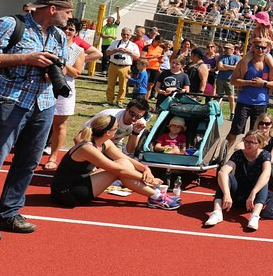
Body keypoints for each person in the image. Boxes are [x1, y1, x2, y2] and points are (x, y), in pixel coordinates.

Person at [0, 0, 72, 243]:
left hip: (43, 103)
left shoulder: (58, 36)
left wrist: (53, 72)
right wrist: (26, 58)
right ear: (53, 9)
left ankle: (9, 212)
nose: (70, 17)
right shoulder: (10, 24)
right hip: (9, 101)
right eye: (67, 11)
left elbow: (62, 65)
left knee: (28, 162)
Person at [50, 114, 179, 210]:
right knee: (118, 171)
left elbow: (126, 159)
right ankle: (157, 197)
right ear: (108, 132)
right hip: (66, 193)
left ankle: (155, 196)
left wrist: (146, 170)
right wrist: (149, 180)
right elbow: (117, 170)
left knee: (124, 162)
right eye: (116, 129)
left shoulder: (104, 142)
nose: (118, 131)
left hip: (79, 182)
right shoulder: (87, 148)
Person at [43, 18, 100, 171]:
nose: (67, 32)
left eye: (71, 30)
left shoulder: (78, 50)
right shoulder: (50, 43)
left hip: (64, 90)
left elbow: (76, 72)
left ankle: (53, 157)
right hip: (44, 87)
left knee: (59, 124)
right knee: (38, 122)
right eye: (64, 28)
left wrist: (62, 62)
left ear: (76, 33)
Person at [205, 129, 272, 231]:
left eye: (251, 142)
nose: (247, 144)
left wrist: (253, 193)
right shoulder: (239, 154)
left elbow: (266, 174)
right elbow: (222, 172)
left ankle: (255, 216)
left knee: (263, 180)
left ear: (260, 144)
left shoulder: (265, 155)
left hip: (252, 200)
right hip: (236, 194)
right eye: (246, 141)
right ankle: (217, 212)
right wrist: (227, 194)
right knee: (224, 176)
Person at [226, 40, 273, 152]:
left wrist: (263, 83)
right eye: (257, 47)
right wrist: (248, 82)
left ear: (266, 49)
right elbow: (233, 81)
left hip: (260, 103)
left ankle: (254, 158)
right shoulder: (244, 62)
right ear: (253, 47)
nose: (260, 50)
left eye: (263, 48)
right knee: (234, 132)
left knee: (257, 135)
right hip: (244, 102)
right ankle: (222, 156)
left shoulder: (269, 65)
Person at [84, 98, 151, 156]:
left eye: (138, 116)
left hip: (115, 143)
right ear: (126, 109)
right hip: (94, 139)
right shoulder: (109, 116)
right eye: (132, 113)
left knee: (122, 162)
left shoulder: (140, 124)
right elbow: (83, 135)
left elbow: (129, 150)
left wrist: (135, 133)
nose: (134, 118)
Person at [104, 27, 140, 106]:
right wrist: (116, 50)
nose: (125, 36)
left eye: (127, 35)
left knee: (123, 85)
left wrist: (128, 51)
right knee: (110, 84)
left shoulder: (133, 45)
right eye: (124, 34)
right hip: (113, 65)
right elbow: (107, 52)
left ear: (130, 36)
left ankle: (120, 101)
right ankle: (109, 100)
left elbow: (137, 56)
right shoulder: (115, 42)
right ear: (121, 34)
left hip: (125, 66)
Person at [214, 42, 240, 116]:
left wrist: (225, 66)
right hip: (220, 78)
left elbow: (236, 68)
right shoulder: (221, 57)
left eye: (228, 48)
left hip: (230, 79)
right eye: (225, 48)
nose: (226, 50)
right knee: (219, 96)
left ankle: (232, 113)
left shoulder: (236, 58)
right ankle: (218, 112)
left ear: (232, 49)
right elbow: (220, 67)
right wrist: (230, 68)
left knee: (231, 97)